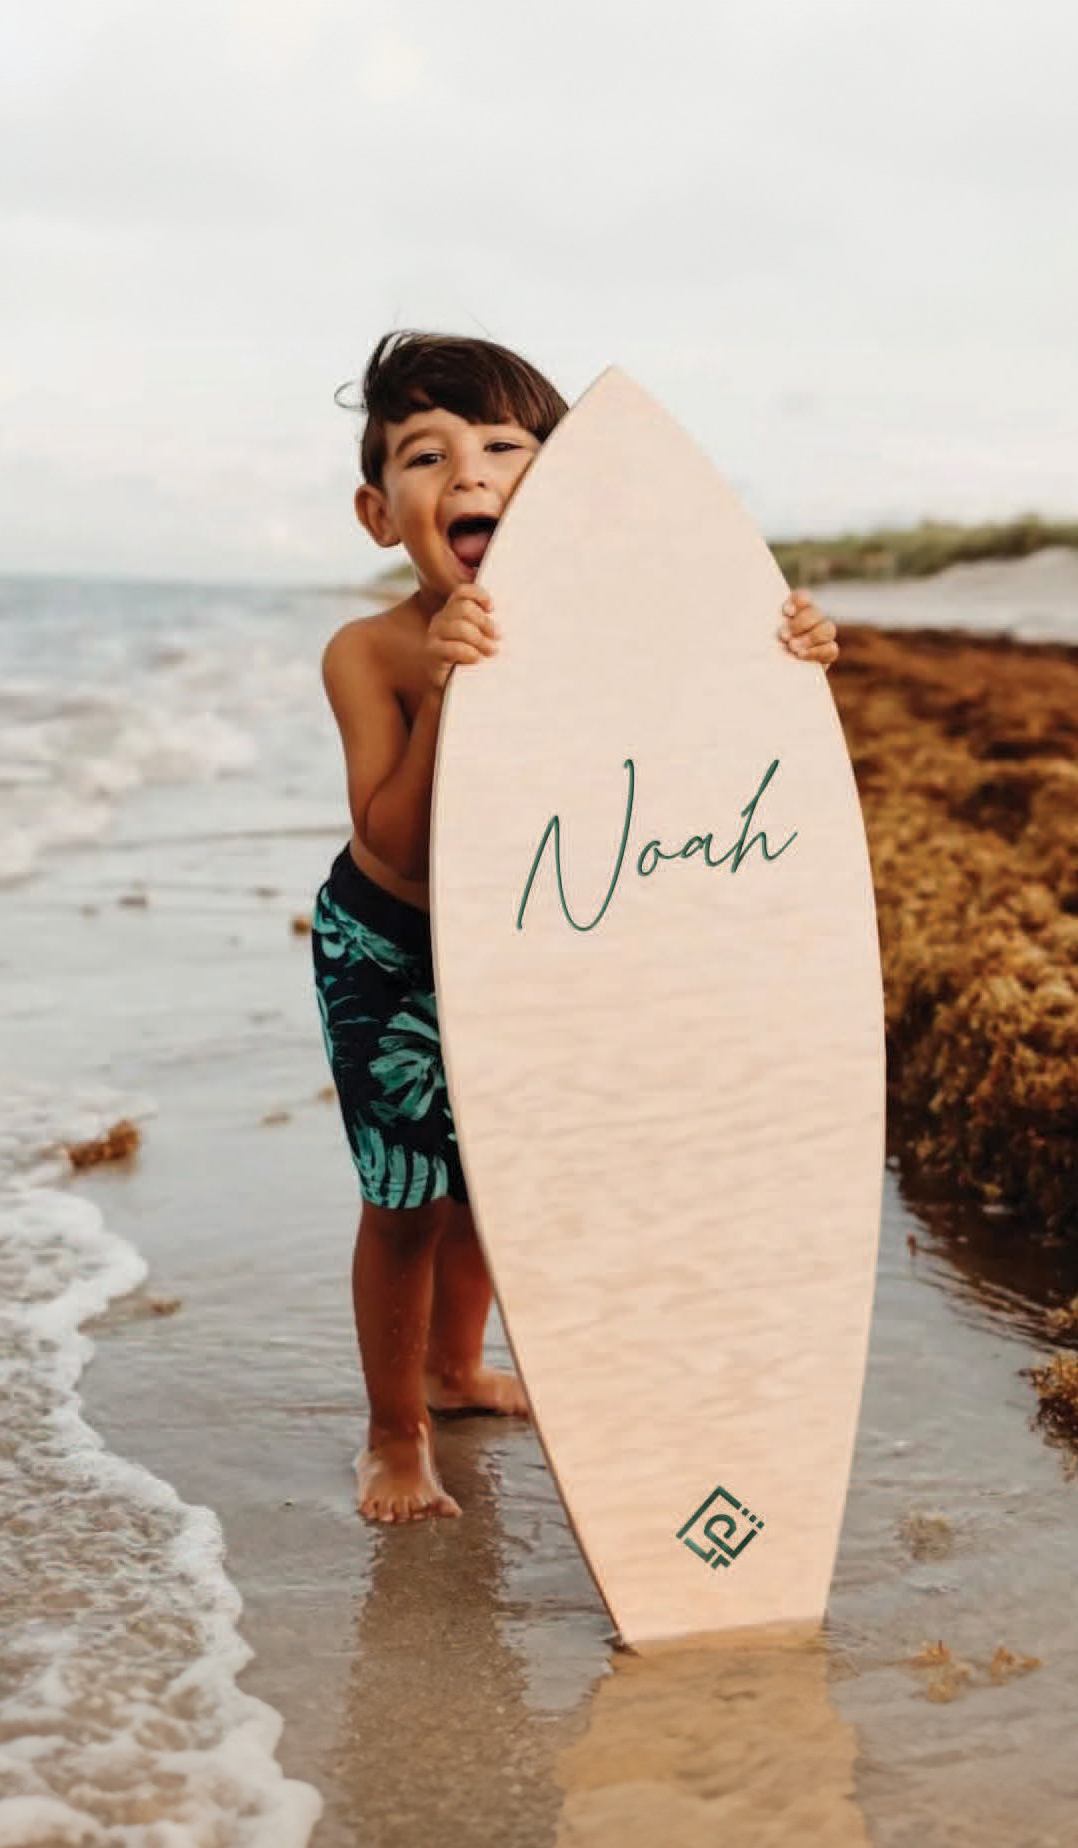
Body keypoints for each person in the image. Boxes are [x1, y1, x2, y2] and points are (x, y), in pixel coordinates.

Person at [314, 331, 843, 1522]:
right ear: (374, 508)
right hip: (390, 945)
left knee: (505, 1176)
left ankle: (456, 1370)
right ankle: (395, 1434)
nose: (470, 474)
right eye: (426, 453)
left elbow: (709, 736)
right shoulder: (371, 653)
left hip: (528, 937)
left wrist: (788, 655)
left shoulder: (614, 633)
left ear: (565, 490)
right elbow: (394, 839)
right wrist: (452, 690)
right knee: (408, 1195)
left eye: (505, 447)